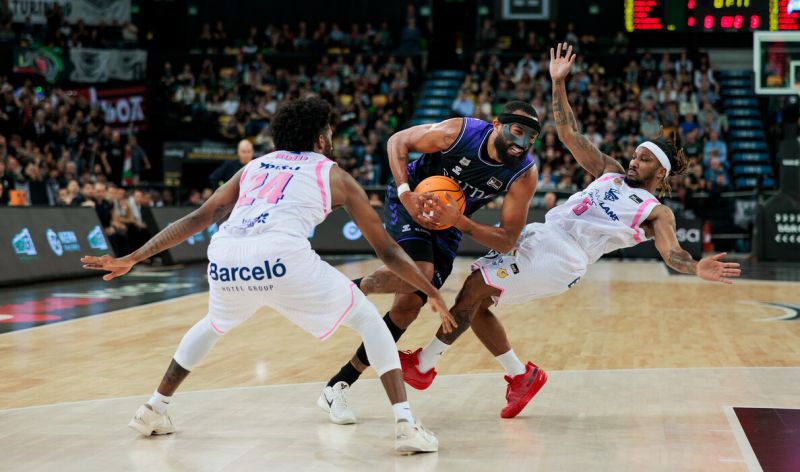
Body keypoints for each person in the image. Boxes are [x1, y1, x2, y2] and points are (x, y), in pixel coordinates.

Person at [81, 97, 455, 454]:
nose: (331, 138)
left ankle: (153, 408)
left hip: (226, 257)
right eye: (329, 132)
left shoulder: (255, 166)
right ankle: (405, 425)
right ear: (320, 139)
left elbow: (200, 217)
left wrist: (134, 257)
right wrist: (431, 291)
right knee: (370, 322)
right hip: (282, 258)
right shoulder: (335, 175)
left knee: (212, 324)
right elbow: (387, 251)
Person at [399, 43, 742, 419]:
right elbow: (568, 132)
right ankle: (521, 377)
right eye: (635, 154)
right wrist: (558, 82)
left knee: (475, 287)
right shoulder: (610, 171)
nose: (633, 160)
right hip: (543, 235)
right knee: (478, 305)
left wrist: (695, 267)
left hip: (562, 255)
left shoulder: (655, 212)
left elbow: (671, 252)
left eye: (644, 159)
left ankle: (424, 365)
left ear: (659, 172)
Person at [321, 100, 540, 423]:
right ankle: (340, 292)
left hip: (450, 224)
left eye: (531, 138)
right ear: (497, 125)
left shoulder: (523, 173)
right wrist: (405, 192)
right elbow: (398, 141)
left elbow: (507, 240)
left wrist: (460, 222)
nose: (522, 143)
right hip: (411, 201)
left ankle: (337, 384)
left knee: (407, 308)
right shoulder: (460, 132)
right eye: (517, 131)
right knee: (420, 273)